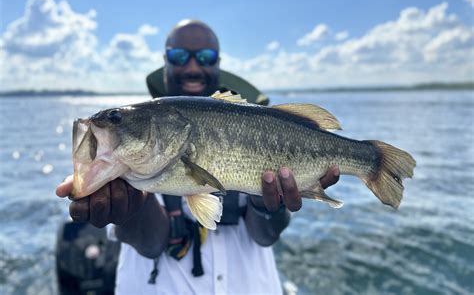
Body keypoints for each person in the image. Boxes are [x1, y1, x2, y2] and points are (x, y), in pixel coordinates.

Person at [56, 19, 340, 294]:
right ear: (165, 63)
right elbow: (151, 244)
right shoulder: (128, 167)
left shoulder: (257, 128)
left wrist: (268, 204)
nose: (192, 67)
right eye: (178, 56)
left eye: (205, 56)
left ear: (218, 63)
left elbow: (265, 235)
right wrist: (131, 210)